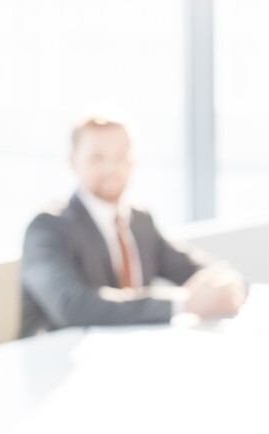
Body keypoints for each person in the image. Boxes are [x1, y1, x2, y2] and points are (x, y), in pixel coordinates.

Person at [20, 117, 246, 335]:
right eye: (97, 158)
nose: (111, 168)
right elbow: (71, 305)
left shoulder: (140, 219)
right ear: (73, 161)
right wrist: (182, 304)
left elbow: (194, 265)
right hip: (54, 361)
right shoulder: (47, 228)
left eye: (121, 156)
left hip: (131, 353)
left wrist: (225, 284)